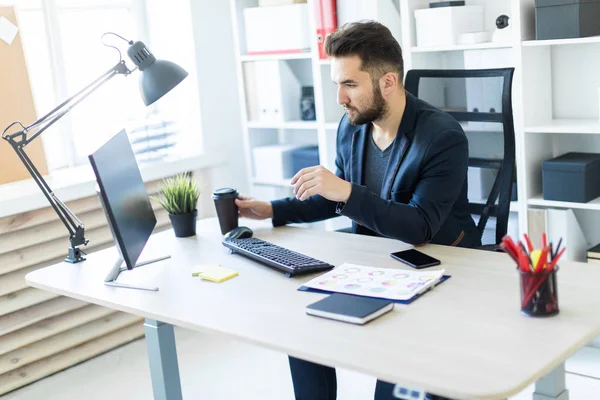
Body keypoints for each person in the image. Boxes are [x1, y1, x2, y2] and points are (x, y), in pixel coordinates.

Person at [235, 20, 479, 400]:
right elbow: (336, 198)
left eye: (349, 85)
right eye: (337, 84)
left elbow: (420, 226)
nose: (340, 98)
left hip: (441, 268)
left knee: (392, 385)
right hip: (379, 267)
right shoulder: (352, 127)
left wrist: (346, 191)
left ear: (388, 82)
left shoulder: (442, 137)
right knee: (304, 331)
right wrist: (271, 210)